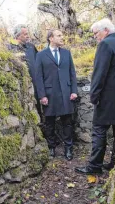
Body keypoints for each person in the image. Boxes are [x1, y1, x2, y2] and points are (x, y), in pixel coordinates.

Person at [75, 18, 115, 175]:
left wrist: (94, 95)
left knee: (99, 130)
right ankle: (114, 163)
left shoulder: (105, 44)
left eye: (95, 33)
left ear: (105, 30)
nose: (95, 37)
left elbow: (99, 73)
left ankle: (94, 167)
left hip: (106, 98)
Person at [35, 29, 78, 160]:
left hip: (66, 93)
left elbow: (72, 73)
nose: (62, 37)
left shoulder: (66, 53)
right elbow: (38, 77)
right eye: (59, 35)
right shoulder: (41, 55)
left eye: (62, 35)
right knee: (50, 123)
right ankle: (51, 148)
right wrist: (42, 95)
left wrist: (74, 91)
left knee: (67, 122)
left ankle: (68, 149)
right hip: (49, 94)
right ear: (51, 38)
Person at [7, 24, 44, 125]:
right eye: (25, 34)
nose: (28, 36)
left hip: (35, 84)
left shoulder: (31, 47)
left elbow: (39, 63)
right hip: (20, 86)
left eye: (28, 33)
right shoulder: (9, 47)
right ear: (17, 35)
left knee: (38, 109)